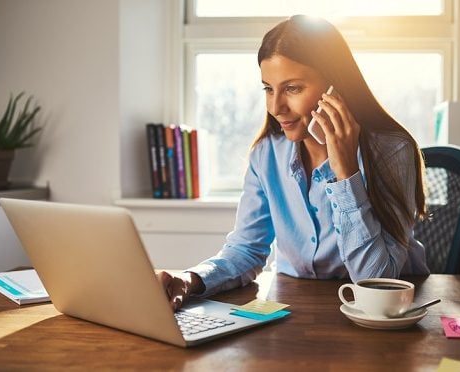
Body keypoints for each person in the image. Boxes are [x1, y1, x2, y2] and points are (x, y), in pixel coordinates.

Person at [158, 15, 430, 310]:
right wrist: (190, 279)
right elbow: (246, 250)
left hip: (384, 316)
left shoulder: (390, 150)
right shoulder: (266, 153)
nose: (276, 107)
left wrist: (345, 172)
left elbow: (375, 280)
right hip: (293, 310)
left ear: (335, 88)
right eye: (268, 89)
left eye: (292, 89)